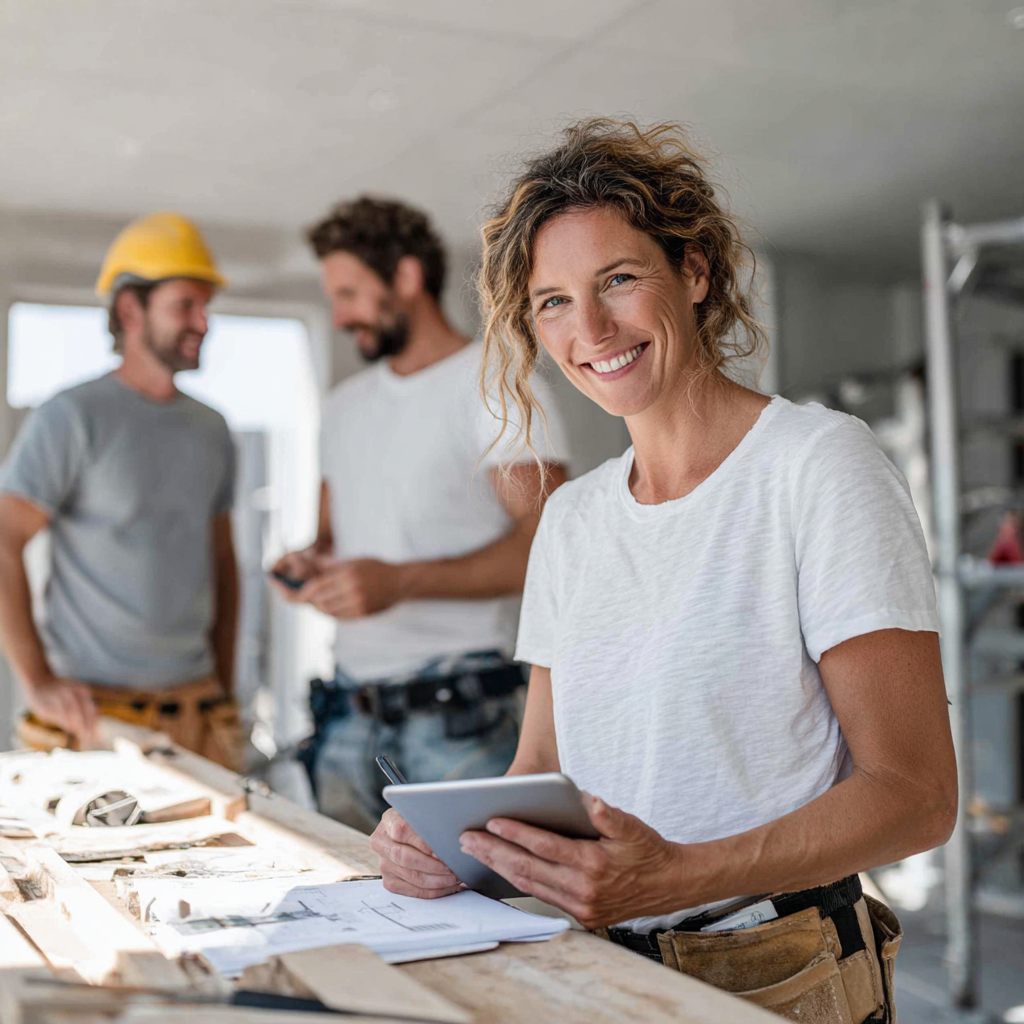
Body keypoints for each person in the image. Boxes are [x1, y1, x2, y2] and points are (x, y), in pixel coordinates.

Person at [370, 122, 957, 1024]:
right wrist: (456, 845)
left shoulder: (817, 465)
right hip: (595, 971)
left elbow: (915, 797)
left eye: (617, 280)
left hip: (780, 972)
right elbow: (541, 766)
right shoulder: (571, 519)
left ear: (694, 272)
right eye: (554, 301)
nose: (591, 330)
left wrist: (676, 876)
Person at [272, 197, 569, 833]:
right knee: (352, 906)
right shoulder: (344, 406)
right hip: (347, 717)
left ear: (406, 277)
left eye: (350, 291)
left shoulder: (497, 383)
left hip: (460, 716)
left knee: (491, 914)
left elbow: (547, 548)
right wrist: (309, 563)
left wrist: (398, 582)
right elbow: (330, 538)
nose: (341, 315)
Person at [0, 212, 243, 768]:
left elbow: (223, 562)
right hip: (93, 717)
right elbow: (4, 539)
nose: (204, 322)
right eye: (186, 304)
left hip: (198, 712)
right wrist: (36, 681)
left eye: (207, 306)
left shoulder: (212, 428)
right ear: (131, 309)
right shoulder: (71, 417)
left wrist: (224, 686)